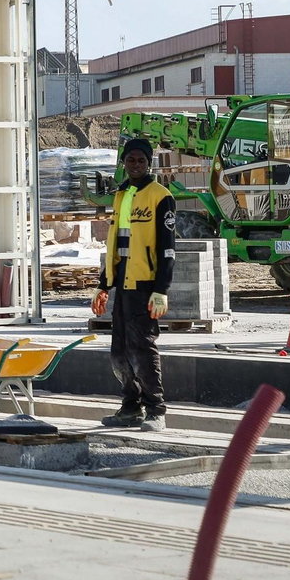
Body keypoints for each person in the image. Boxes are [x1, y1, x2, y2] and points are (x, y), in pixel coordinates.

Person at [92, 136, 176, 432]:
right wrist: (104, 284)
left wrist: (161, 289)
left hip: (145, 285)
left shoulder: (160, 196)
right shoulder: (122, 195)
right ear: (124, 163)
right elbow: (116, 243)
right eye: (131, 160)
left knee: (142, 350)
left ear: (148, 163)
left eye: (141, 160)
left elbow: (167, 247)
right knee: (120, 351)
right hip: (122, 284)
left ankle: (156, 409)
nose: (136, 165)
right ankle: (131, 407)